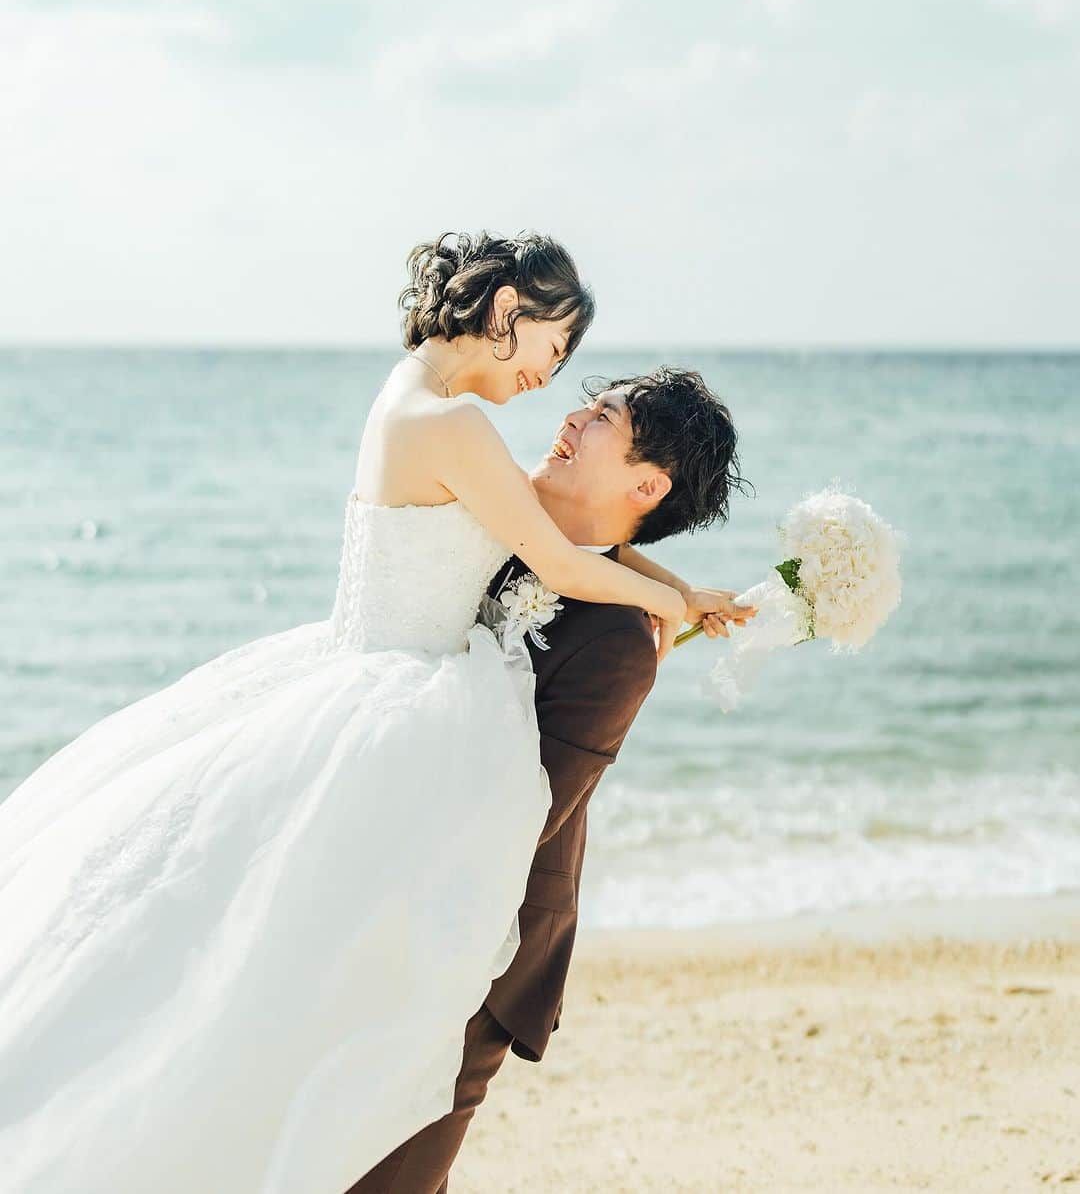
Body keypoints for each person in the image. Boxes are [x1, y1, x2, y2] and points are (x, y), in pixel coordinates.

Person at [0, 232, 711, 1194]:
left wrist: (672, 585)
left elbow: (574, 550)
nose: (553, 386)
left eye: (584, 389)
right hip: (396, 695)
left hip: (357, 674)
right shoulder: (459, 429)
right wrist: (673, 603)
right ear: (509, 314)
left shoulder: (417, 399)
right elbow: (560, 559)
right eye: (554, 354)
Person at [348, 367, 755, 1193]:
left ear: (647, 482)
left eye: (603, 417)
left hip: (478, 952)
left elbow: (526, 816)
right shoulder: (494, 521)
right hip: (379, 905)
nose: (572, 417)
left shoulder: (619, 645)